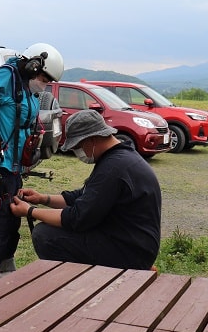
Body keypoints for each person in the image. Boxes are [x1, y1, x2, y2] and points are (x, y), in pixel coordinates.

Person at [10, 109, 161, 270]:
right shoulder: (119, 158)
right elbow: (83, 196)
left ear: (92, 140)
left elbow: (77, 218)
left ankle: (81, 285)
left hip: (130, 251)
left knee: (45, 235)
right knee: (50, 231)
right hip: (134, 243)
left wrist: (30, 211)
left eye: (78, 146)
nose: (78, 153)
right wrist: (43, 199)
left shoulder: (113, 168)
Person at [0, 43, 64, 291]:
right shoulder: (7, 76)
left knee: (12, 219)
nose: (44, 84)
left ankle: (5, 272)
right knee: (3, 221)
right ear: (33, 65)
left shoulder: (26, 88)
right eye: (43, 78)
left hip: (12, 165)